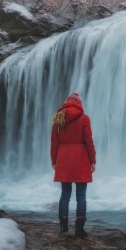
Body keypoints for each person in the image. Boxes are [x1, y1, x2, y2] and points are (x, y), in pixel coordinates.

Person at [50, 92, 96, 237]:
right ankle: (79, 229)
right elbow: (89, 142)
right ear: (79, 103)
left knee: (65, 195)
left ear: (66, 102)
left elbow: (54, 144)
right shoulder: (84, 119)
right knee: (81, 196)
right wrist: (93, 160)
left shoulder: (58, 119)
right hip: (81, 159)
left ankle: (63, 228)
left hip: (63, 159)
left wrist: (54, 160)